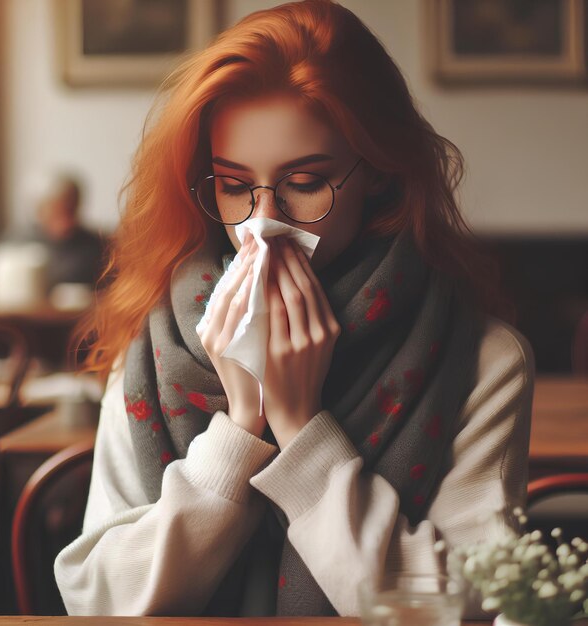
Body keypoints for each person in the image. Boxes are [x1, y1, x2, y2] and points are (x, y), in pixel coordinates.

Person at [54, 0, 534, 618]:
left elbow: (466, 606)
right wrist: (236, 436)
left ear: (382, 175)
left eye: (305, 183)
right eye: (232, 185)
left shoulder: (482, 358)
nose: (263, 224)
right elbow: (98, 602)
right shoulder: (154, 348)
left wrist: (303, 428)